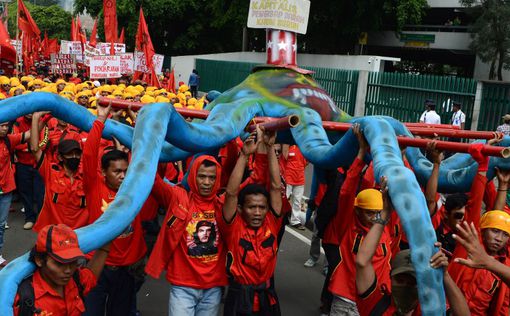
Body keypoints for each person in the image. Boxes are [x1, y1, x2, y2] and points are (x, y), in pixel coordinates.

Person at [354, 177, 470, 315]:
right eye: (400, 280)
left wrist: (444, 275)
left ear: (421, 286)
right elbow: (362, 262)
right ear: (390, 278)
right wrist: (384, 213)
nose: (404, 288)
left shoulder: (427, 311)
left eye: (412, 283)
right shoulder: (376, 304)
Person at [81, 104, 147, 316]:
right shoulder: (94, 187)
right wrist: (100, 119)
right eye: (116, 171)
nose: (122, 175)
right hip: (97, 266)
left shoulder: (134, 188)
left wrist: (138, 123)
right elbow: (89, 156)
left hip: (127, 269)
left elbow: (144, 155)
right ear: (103, 172)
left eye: (125, 171)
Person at [146, 154, 227, 315]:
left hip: (213, 288)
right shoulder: (178, 197)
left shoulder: (224, 205)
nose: (206, 182)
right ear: (192, 176)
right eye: (202, 176)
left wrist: (247, 153)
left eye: (212, 178)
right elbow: (152, 180)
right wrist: (152, 144)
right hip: (182, 287)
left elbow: (252, 183)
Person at [327, 125, 392, 316]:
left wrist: (399, 155)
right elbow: (347, 192)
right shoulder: (348, 224)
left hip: (375, 302)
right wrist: (361, 151)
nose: (374, 218)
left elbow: (377, 181)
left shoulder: (384, 226)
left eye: (377, 212)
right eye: (369, 213)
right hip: (346, 300)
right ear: (357, 211)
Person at [220, 126, 283, 315]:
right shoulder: (234, 226)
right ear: (240, 209)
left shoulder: (272, 222)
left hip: (266, 298)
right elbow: (231, 193)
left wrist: (270, 147)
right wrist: (244, 155)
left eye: (262, 207)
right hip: (239, 300)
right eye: (251, 207)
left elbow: (274, 186)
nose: (257, 212)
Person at [448, 140, 510, 315]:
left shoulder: (504, 265)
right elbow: (475, 205)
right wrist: (483, 166)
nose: (499, 238)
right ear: (482, 231)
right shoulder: (468, 243)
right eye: (495, 232)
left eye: (505, 235)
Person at [13, 224, 110, 316]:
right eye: (59, 263)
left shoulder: (76, 280)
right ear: (39, 260)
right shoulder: (22, 298)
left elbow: (91, 276)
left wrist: (112, 231)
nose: (68, 270)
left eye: (72, 262)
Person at [29, 112, 89, 232]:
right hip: (54, 235)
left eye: (77, 154)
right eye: (70, 154)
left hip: (80, 236)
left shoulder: (87, 176)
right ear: (61, 157)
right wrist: (36, 118)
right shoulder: (51, 172)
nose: (74, 157)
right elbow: (35, 149)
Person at [0, 122, 30, 267]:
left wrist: (39, 118)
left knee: (0, 225)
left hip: (5, 190)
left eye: (6, 125)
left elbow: (28, 135)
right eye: (1, 125)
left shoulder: (8, 140)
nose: (5, 128)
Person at [14, 114, 46, 230]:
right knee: (25, 193)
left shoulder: (42, 121)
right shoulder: (17, 122)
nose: (30, 112)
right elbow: (15, 143)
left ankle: (43, 220)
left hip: (39, 164)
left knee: (40, 194)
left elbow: (44, 142)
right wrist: (32, 147)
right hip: (22, 164)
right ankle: (30, 218)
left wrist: (30, 147)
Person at [283, 144, 307, 230]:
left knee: (297, 201)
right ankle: (281, 216)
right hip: (288, 177)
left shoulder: (304, 148)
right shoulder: (289, 146)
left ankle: (295, 221)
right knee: (284, 198)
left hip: (300, 178)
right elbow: (284, 158)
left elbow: (306, 162)